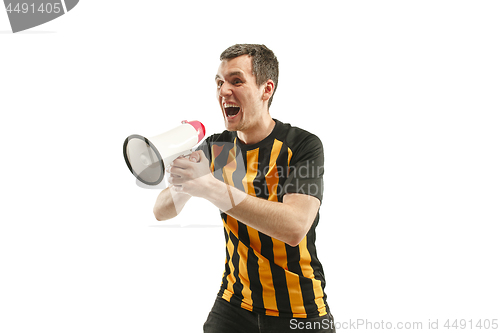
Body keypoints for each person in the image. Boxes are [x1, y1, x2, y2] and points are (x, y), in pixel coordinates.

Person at [153, 44, 335, 333]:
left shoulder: (301, 145)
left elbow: (294, 226)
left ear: (266, 89)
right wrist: (185, 184)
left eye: (236, 81)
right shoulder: (220, 147)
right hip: (234, 305)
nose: (224, 91)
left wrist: (209, 186)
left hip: (299, 312)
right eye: (220, 82)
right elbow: (161, 211)